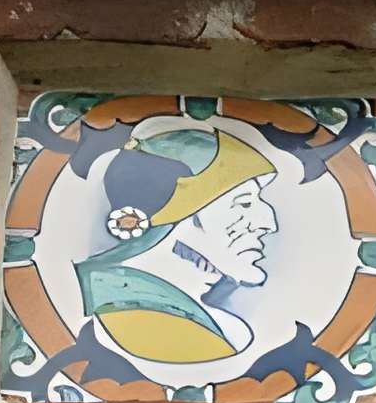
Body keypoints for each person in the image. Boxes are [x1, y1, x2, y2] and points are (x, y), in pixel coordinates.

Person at [72, 123, 280, 366]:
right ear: (180, 216)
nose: (268, 224)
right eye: (243, 204)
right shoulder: (134, 314)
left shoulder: (208, 325)